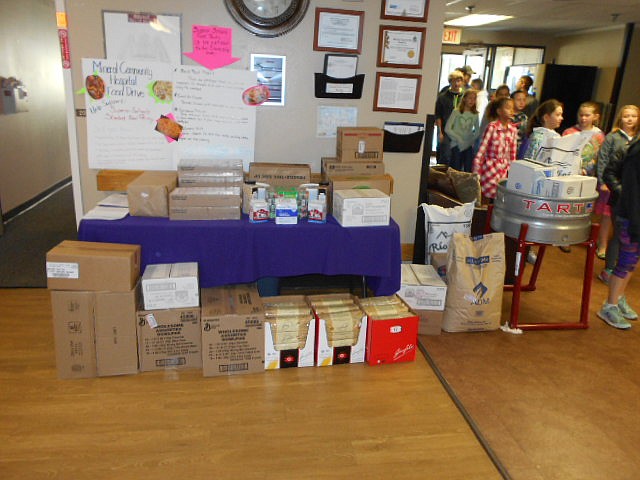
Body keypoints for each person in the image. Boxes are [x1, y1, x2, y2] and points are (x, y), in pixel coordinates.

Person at [598, 136, 640, 329]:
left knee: (633, 260)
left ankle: (619, 297)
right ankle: (610, 305)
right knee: (626, 259)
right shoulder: (633, 151)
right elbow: (616, 177)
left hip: (634, 212)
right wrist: (623, 196)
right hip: (630, 213)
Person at [596, 105, 640, 283]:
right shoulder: (613, 138)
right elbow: (605, 163)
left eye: (634, 116)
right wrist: (606, 183)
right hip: (618, 194)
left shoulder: (636, 139)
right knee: (617, 232)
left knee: (628, 237)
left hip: (632, 198)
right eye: (626, 116)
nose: (630, 119)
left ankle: (620, 272)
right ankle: (609, 269)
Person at [558, 101, 605, 252]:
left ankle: (576, 235)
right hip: (569, 176)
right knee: (568, 207)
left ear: (595, 117)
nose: (583, 118)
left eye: (587, 115)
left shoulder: (599, 136)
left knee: (582, 209)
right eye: (581, 115)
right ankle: (563, 237)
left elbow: (600, 158)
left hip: (588, 178)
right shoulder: (569, 132)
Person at [472, 96, 518, 201]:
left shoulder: (513, 130)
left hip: (504, 171)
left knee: (500, 200)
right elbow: (481, 151)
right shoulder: (492, 127)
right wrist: (476, 173)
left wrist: (513, 173)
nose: (511, 110)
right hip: (490, 169)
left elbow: (512, 155)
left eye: (512, 108)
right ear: (499, 111)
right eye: (508, 108)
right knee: (486, 199)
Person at [445, 89, 480, 172]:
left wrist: (470, 141)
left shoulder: (475, 114)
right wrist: (458, 139)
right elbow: (447, 128)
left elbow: (477, 131)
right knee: (456, 168)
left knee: (468, 169)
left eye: (474, 99)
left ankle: (466, 185)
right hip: (456, 144)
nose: (472, 101)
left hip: (468, 145)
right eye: (470, 98)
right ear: (464, 99)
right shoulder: (456, 112)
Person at [435, 70, 465, 165]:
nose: (456, 83)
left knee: (457, 157)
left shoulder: (465, 97)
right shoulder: (443, 97)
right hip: (446, 131)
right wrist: (440, 132)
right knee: (445, 156)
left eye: (459, 81)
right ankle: (442, 177)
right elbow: (438, 115)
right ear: (450, 82)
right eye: (454, 81)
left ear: (462, 82)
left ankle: (455, 178)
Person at [510, 90, 529, 154]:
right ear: (511, 101)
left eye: (524, 100)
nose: (522, 102)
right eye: (518, 100)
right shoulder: (507, 115)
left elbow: (524, 134)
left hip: (518, 149)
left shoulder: (524, 117)